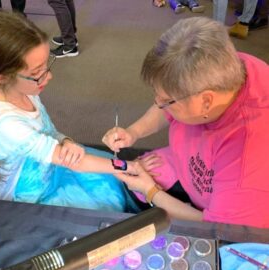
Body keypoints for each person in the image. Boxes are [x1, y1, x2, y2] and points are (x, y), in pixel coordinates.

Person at [102, 17, 269, 228]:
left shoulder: (247, 163)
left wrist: (150, 191)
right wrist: (133, 132)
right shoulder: (228, 66)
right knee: (137, 179)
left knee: (139, 191)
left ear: (206, 101)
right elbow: (166, 103)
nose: (158, 104)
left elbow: (217, 229)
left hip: (220, 216)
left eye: (166, 101)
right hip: (192, 164)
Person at [0, 10, 139, 213]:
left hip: (50, 165)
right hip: (30, 193)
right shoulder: (6, 124)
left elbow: (48, 131)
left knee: (112, 182)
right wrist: (130, 167)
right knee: (107, 203)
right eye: (36, 73)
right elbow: (77, 162)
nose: (48, 77)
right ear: (2, 77)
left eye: (46, 65)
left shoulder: (26, 90)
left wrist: (65, 141)